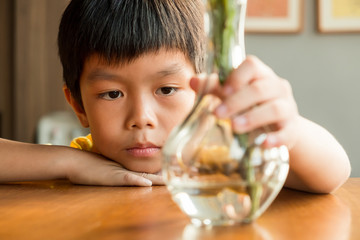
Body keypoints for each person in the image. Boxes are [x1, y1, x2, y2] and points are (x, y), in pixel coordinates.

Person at [1, 0, 351, 192]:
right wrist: (69, 163)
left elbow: (334, 174)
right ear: (78, 104)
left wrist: (289, 128)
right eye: (112, 93)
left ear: (200, 90)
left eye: (166, 89)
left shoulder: (215, 160)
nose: (142, 117)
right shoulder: (82, 161)